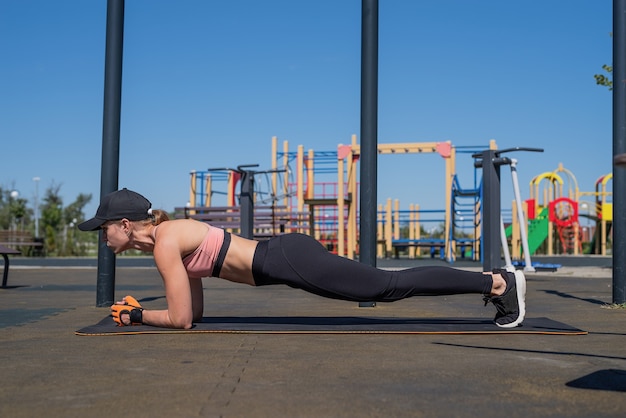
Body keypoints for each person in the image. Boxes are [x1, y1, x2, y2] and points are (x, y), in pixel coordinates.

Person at [78, 188, 526, 330]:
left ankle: (498, 283)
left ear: (124, 224)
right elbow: (192, 311)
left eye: (103, 229)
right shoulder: (168, 241)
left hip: (286, 259)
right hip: (283, 257)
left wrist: (137, 317)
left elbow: (179, 322)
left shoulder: (166, 241)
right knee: (385, 284)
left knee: (385, 287)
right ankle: (496, 283)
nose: (102, 237)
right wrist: (146, 313)